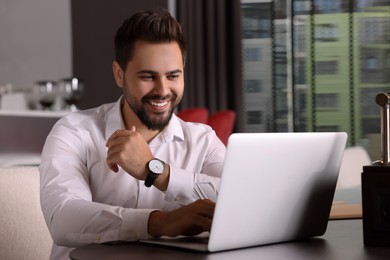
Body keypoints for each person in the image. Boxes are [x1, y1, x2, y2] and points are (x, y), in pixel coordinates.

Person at [39, 9, 225, 260]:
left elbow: (235, 202)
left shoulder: (203, 139)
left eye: (173, 76)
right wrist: (159, 223)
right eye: (148, 76)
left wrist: (156, 171)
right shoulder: (73, 131)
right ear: (119, 74)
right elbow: (62, 218)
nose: (162, 90)